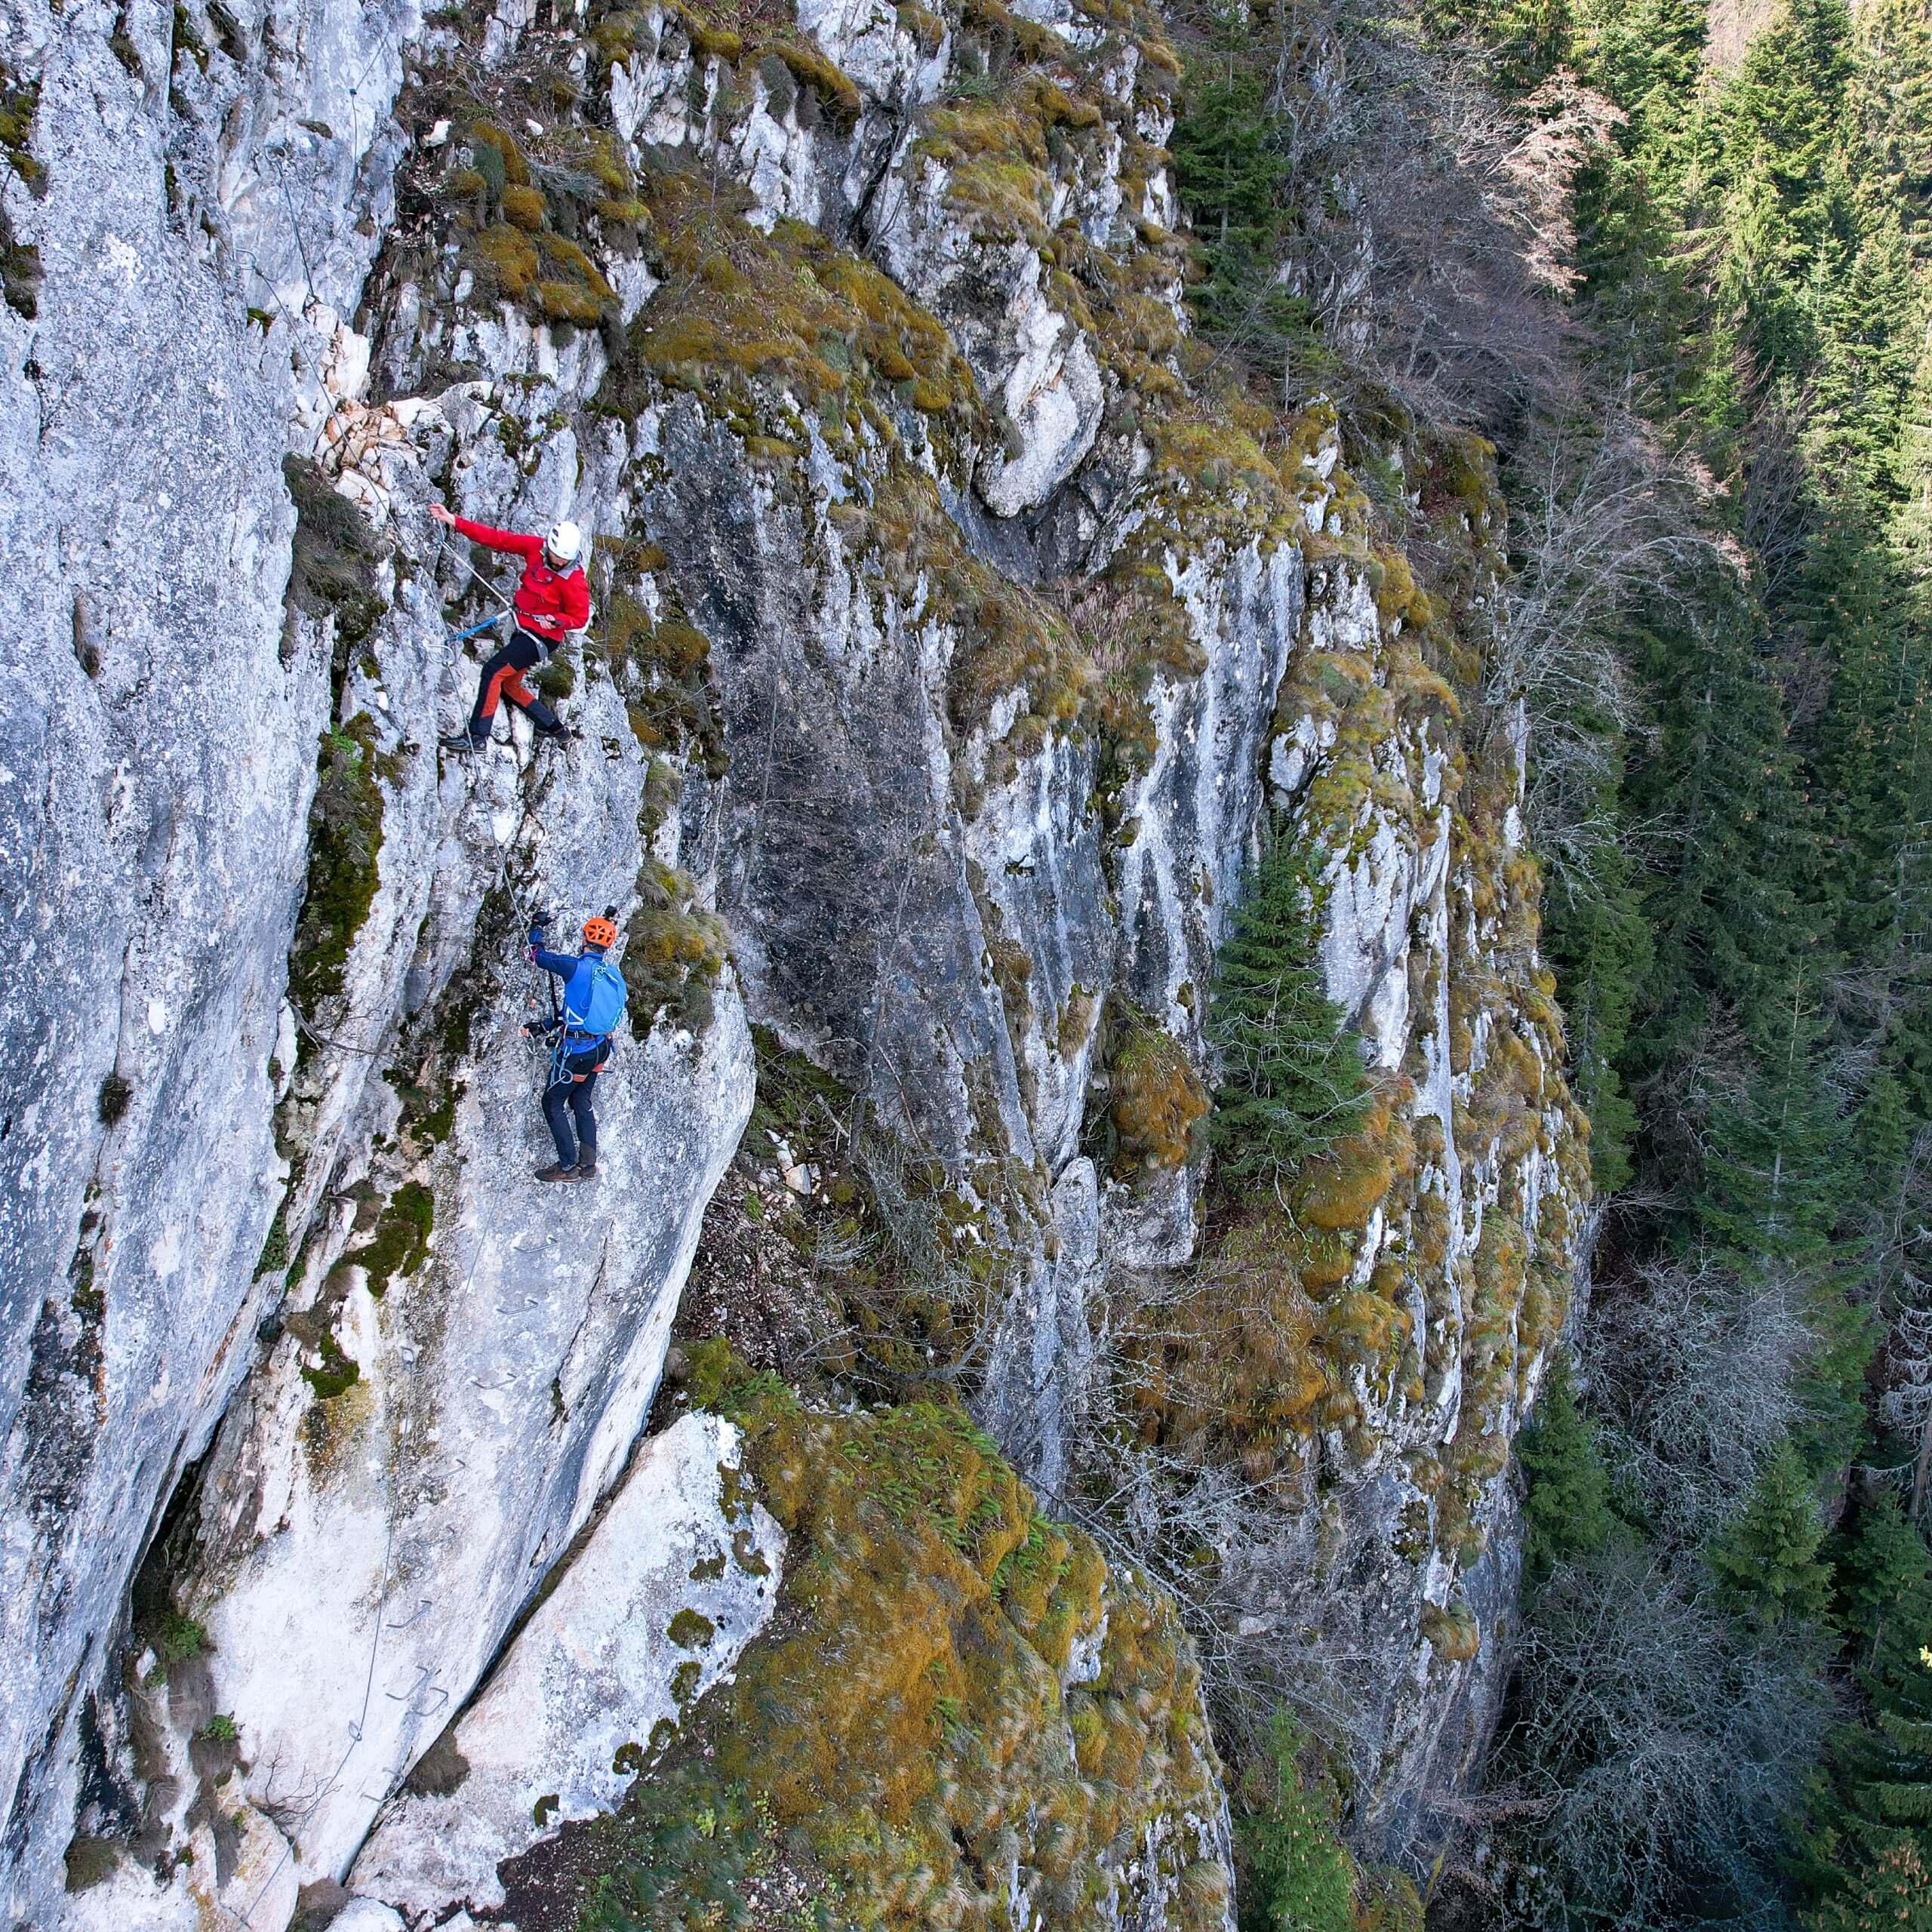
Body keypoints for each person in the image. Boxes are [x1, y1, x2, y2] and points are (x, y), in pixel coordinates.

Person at [430, 503, 590, 752]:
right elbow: (499, 539)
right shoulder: (536, 549)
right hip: (523, 627)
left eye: (563, 561)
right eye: (555, 558)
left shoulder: (574, 582)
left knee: (493, 671)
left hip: (542, 638)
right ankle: (555, 728)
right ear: (549, 547)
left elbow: (579, 618)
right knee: (509, 685)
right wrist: (454, 521)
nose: (557, 564)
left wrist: (557, 620)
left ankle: (477, 737)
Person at [524, 912, 628, 1183]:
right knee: (581, 1100)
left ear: (584, 939)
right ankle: (588, 1165)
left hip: (577, 1052)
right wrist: (547, 1024)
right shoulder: (613, 974)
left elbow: (534, 955)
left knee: (552, 1102)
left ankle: (568, 1166)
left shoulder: (574, 967)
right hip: (601, 1046)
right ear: (608, 946)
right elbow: (581, 1008)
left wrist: (536, 927)